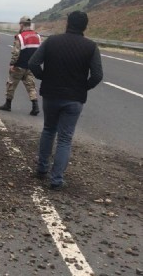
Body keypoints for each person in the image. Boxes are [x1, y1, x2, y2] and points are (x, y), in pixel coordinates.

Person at [28, 11, 103, 190]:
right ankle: (56, 179)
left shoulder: (52, 41)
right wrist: (84, 87)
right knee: (65, 138)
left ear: (67, 23)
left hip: (51, 94)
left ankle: (41, 168)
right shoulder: (91, 47)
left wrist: (44, 77)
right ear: (85, 26)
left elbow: (33, 63)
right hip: (74, 98)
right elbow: (98, 75)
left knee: (48, 130)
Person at [0, 16, 42, 115]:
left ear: (22, 24)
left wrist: (12, 63)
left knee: (11, 84)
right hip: (31, 67)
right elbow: (39, 52)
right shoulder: (37, 36)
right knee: (31, 86)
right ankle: (35, 106)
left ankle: (7, 105)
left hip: (19, 66)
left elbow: (16, 52)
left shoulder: (20, 36)